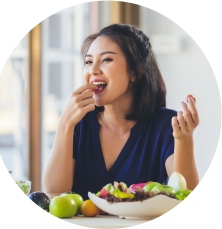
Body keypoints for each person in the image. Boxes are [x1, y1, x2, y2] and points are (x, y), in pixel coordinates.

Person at [43, 24, 199, 200]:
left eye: (107, 60)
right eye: (88, 62)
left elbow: (186, 198)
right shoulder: (78, 122)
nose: (93, 70)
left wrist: (184, 139)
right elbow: (54, 194)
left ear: (135, 71)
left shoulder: (167, 125)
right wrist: (65, 124)